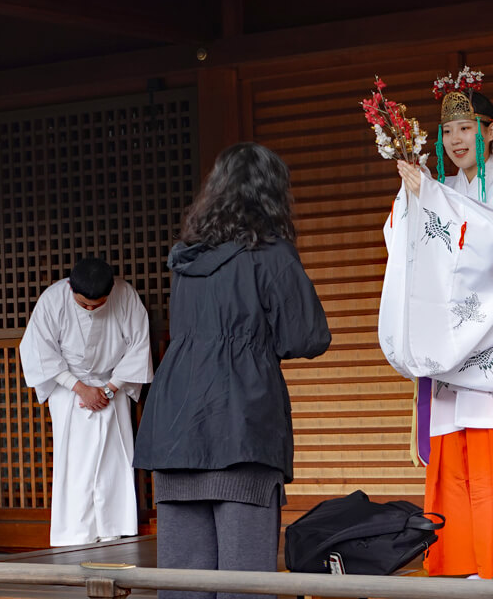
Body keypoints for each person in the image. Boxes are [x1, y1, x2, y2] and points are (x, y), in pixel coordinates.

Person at [378, 67, 493, 579]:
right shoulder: (438, 186)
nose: (457, 140)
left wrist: (431, 197)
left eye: (468, 127)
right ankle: (458, 560)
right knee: (455, 452)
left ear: (492, 130)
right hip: (454, 345)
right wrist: (413, 198)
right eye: (448, 131)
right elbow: (407, 243)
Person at [133, 142, 331, 599]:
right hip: (243, 425)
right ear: (271, 195)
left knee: (182, 586)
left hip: (174, 430)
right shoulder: (271, 254)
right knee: (246, 584)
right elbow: (307, 337)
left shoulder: (187, 259)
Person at [20, 257, 154, 546]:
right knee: (75, 461)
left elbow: (139, 345)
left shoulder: (125, 295)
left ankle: (113, 527)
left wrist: (108, 389)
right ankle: (75, 533)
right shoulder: (53, 299)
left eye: (99, 305)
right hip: (67, 388)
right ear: (70, 288)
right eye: (84, 306)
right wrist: (79, 388)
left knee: (112, 460)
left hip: (113, 385)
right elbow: (39, 350)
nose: (91, 310)